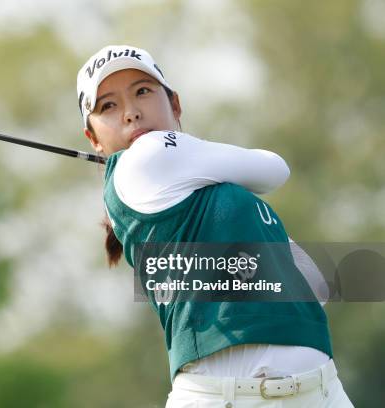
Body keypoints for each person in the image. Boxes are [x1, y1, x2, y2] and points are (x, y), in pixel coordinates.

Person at [76, 45, 354, 407]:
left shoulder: (222, 196)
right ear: (93, 138)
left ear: (175, 104)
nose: (131, 113)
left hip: (321, 390)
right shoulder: (148, 155)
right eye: (108, 106)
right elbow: (273, 168)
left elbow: (316, 287)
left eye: (142, 91)